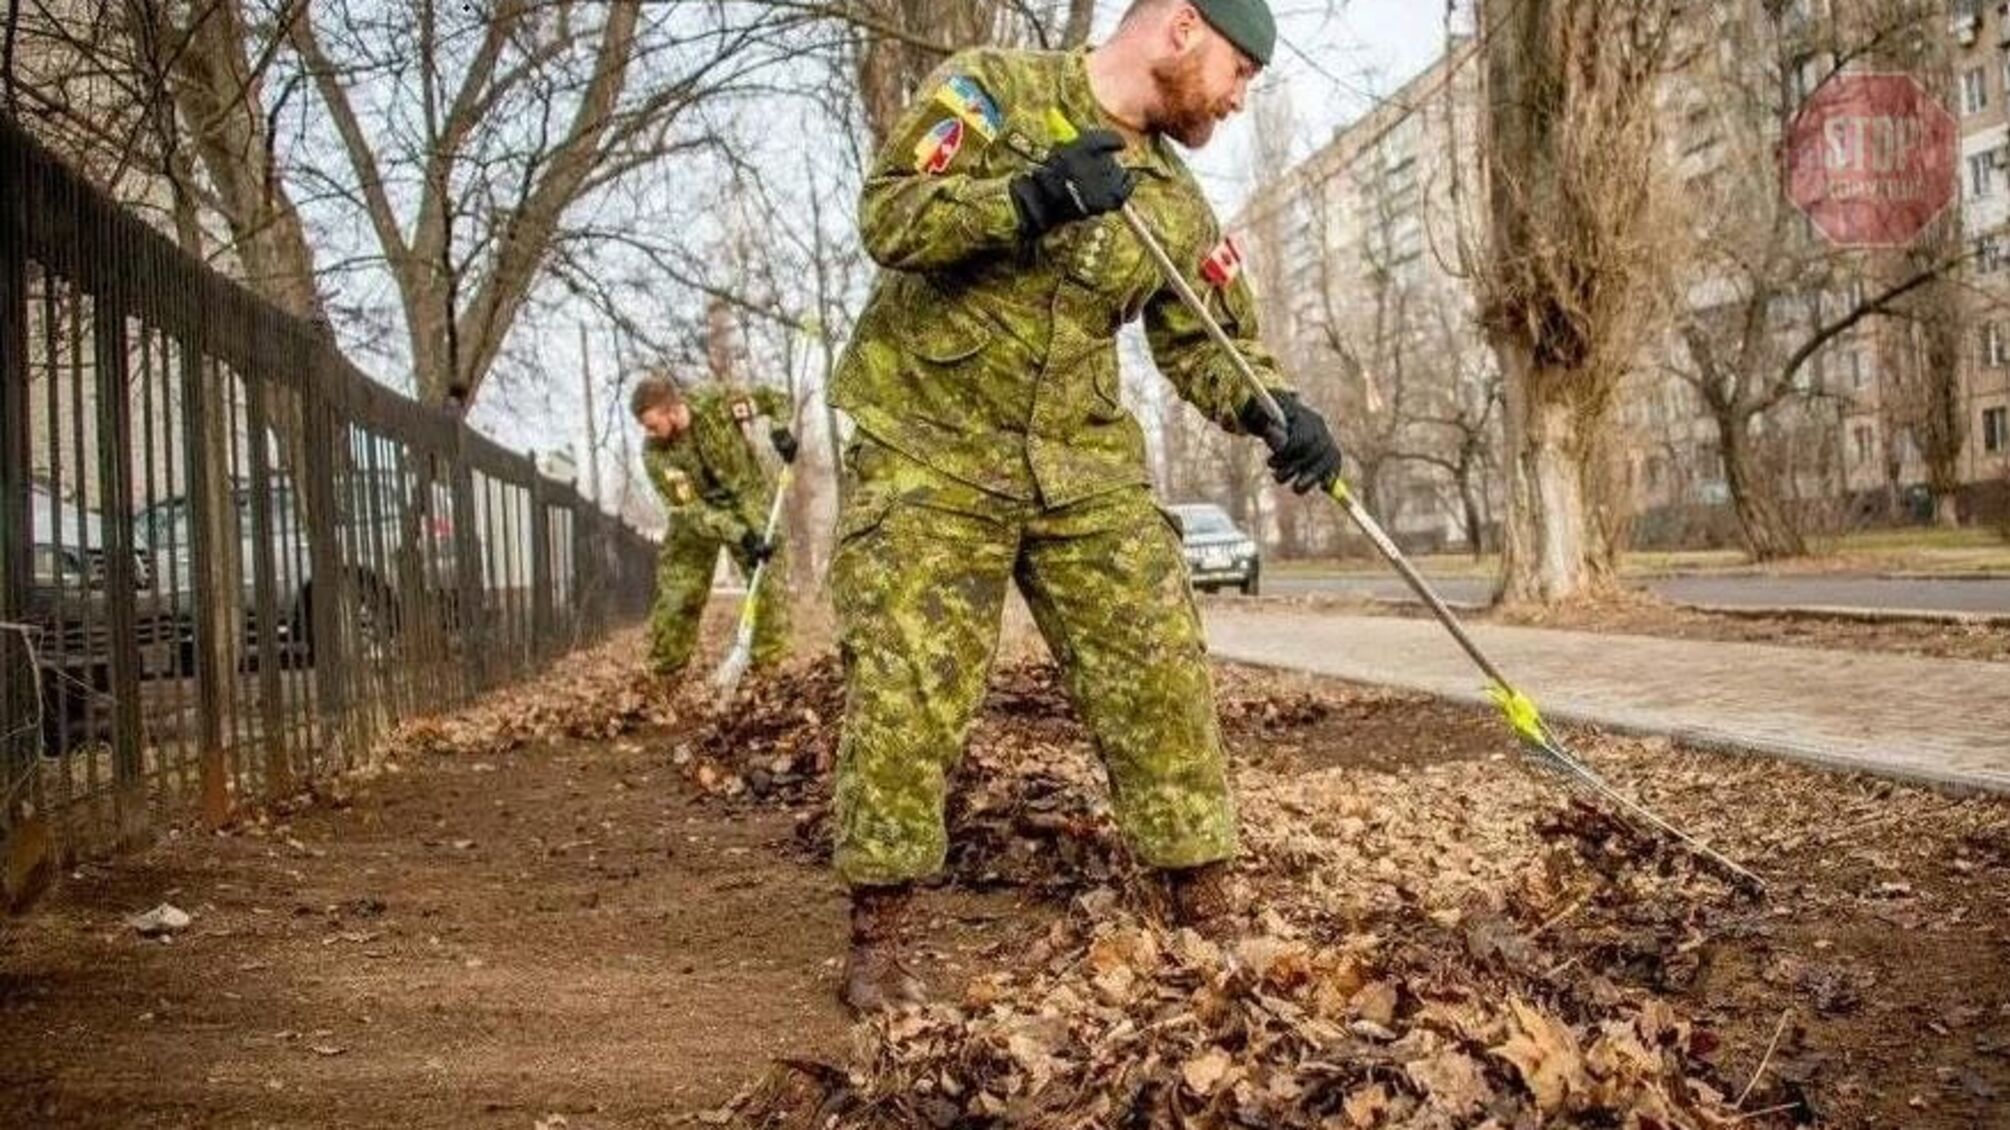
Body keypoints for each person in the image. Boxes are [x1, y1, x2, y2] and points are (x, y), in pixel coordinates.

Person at [826, 0, 1344, 1011]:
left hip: (1080, 462)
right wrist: (1026, 198)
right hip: (929, 446)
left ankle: (1206, 906)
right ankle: (877, 939)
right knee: (908, 688)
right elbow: (889, 213)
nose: (1241, 100)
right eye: (1241, 72)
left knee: (1159, 665)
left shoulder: (1172, 200)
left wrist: (1274, 407)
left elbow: (1207, 338)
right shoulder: (992, 91)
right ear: (1183, 29)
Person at [632, 373, 799, 679]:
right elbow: (691, 509)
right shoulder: (655, 452)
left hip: (747, 499)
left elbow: (775, 399)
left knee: (769, 577)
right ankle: (664, 676)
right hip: (696, 518)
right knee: (678, 595)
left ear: (671, 408)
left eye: (652, 425)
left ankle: (770, 668)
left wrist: (779, 430)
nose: (650, 433)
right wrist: (740, 535)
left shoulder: (717, 404)